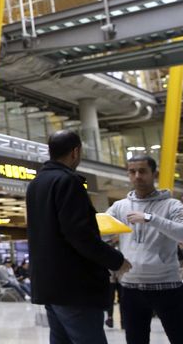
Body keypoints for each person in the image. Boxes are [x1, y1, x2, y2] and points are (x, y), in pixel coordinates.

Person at [27, 130, 131, 344]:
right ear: (76, 152)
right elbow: (79, 234)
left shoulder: (36, 184)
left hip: (49, 285)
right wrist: (116, 260)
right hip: (74, 286)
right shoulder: (68, 181)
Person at [105, 155, 183, 344]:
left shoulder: (172, 205)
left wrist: (150, 218)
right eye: (132, 171)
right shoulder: (119, 207)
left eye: (142, 171)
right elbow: (99, 234)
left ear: (155, 174)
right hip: (131, 288)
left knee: (181, 339)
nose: (137, 176)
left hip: (167, 286)